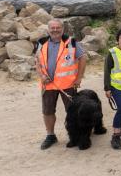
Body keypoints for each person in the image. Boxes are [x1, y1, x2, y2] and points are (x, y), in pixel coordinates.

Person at [35, 19, 87, 149]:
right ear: (48, 29)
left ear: (62, 29)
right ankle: (50, 136)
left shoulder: (72, 42)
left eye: (58, 27)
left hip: (68, 85)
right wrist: (41, 75)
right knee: (47, 111)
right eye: (52, 28)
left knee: (73, 112)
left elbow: (83, 58)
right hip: (48, 85)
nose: (55, 30)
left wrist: (79, 78)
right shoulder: (41, 43)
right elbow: (37, 61)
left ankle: (77, 135)